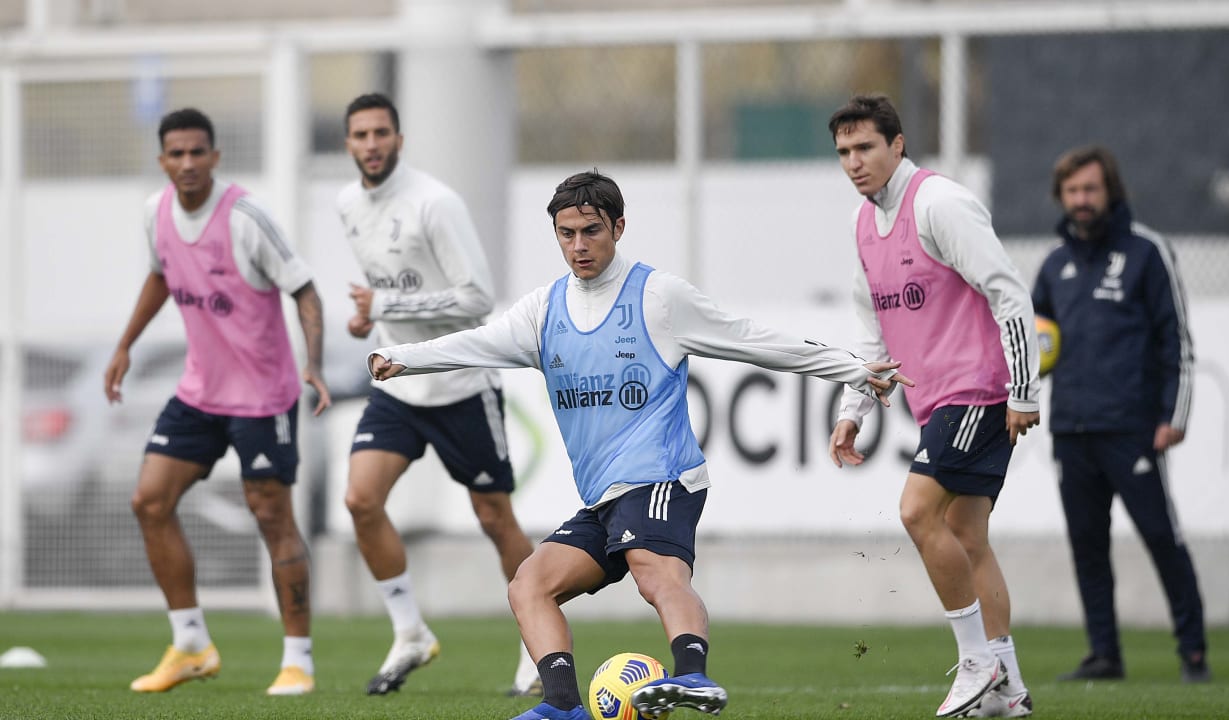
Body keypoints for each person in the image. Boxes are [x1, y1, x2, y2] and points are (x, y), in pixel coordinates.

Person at [366, 170, 912, 720]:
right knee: (529, 584)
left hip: (662, 477)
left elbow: (753, 342)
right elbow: (478, 343)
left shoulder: (658, 297)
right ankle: (561, 706)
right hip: (603, 496)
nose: (578, 246)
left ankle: (693, 677)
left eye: (591, 231)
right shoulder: (543, 310)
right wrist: (404, 358)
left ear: (619, 227)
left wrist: (853, 370)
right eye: (566, 233)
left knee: (653, 568)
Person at [824, 94, 1040, 719]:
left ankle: (977, 662)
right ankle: (1010, 690)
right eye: (843, 152)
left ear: (897, 145)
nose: (854, 162)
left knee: (918, 512)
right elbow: (872, 335)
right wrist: (853, 409)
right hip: (935, 402)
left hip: (977, 389)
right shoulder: (862, 226)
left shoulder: (940, 203)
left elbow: (1008, 293)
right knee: (968, 535)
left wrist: (1024, 389)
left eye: (865, 148)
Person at [103, 108, 331, 695]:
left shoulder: (247, 218)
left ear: (215, 156)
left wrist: (314, 363)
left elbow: (304, 288)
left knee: (271, 515)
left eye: (196, 152)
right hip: (200, 391)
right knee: (149, 500)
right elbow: (160, 275)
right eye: (175, 154)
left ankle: (298, 661)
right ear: (162, 161)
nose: (186, 163)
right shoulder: (155, 214)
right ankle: (190, 643)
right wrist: (125, 344)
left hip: (263, 397)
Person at [336, 92, 540, 697]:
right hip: (397, 383)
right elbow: (385, 291)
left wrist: (388, 306)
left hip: (457, 384)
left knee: (494, 517)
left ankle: (538, 643)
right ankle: (410, 633)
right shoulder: (348, 204)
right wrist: (370, 325)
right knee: (360, 500)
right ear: (348, 144)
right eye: (360, 135)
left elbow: (478, 297)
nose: (370, 144)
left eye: (380, 133)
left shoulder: (435, 203)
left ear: (399, 140)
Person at [1031, 145, 1207, 684]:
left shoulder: (1148, 252)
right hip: (1072, 429)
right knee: (1087, 546)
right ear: (1061, 197)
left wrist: (1173, 414)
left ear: (1110, 191)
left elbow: (1176, 340)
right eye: (1072, 192)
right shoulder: (1053, 266)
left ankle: (1193, 652)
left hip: (1133, 430)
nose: (1082, 201)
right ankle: (1104, 654)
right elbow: (1032, 342)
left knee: (1161, 537)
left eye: (1091, 190)